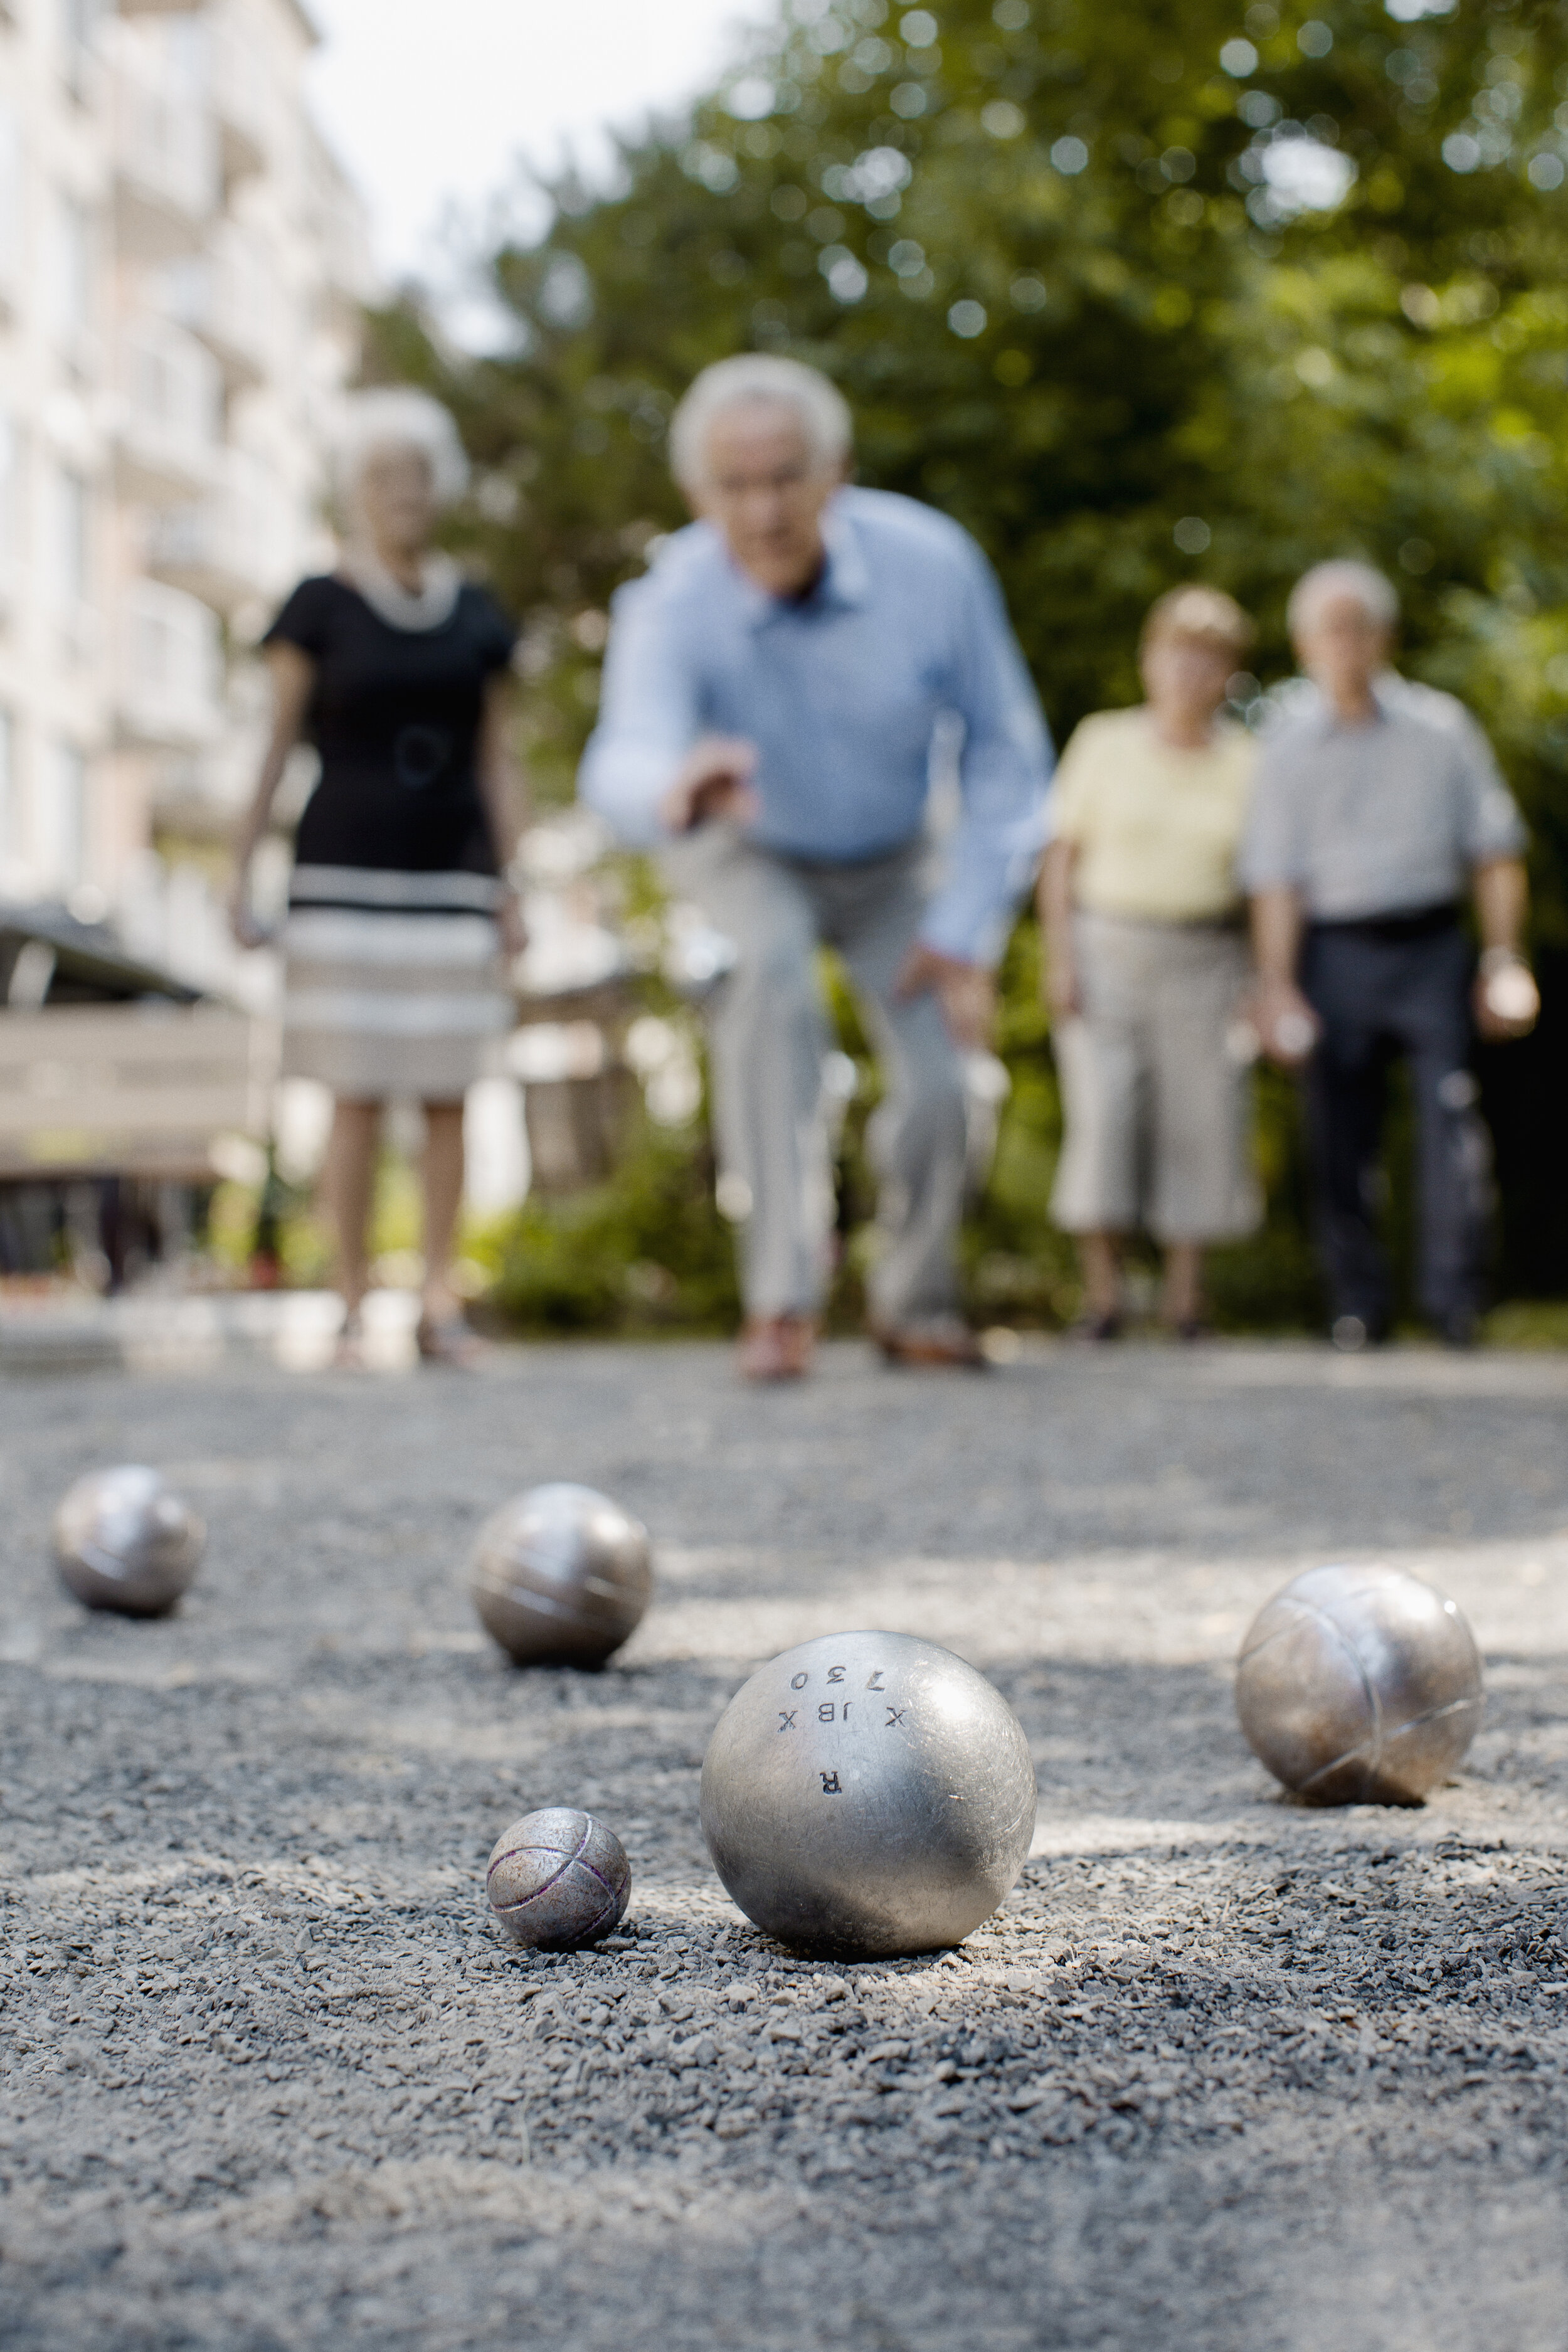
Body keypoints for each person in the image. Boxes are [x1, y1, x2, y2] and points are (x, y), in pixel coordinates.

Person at [579, 354, 1051, 1381]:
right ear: (700, 496)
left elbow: (1009, 755)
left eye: (785, 476)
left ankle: (915, 1303)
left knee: (943, 1076)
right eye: (734, 486)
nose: (764, 509)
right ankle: (782, 1299)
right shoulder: (673, 599)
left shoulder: (933, 565)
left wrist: (965, 923)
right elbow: (619, 758)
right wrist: (673, 784)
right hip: (750, 847)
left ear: (834, 471)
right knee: (772, 980)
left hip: (900, 854)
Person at [229, 388, 525, 1365]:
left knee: (451, 1093)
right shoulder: (318, 603)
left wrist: (512, 881)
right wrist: (239, 869)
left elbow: (499, 756)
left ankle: (439, 1300)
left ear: (440, 487)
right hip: (341, 874)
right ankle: (352, 1301)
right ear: (354, 491)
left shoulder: (477, 611)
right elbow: (274, 742)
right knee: (353, 1095)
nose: (401, 492)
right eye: (380, 476)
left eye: (416, 475)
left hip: (452, 875)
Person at [1241, 559, 1536, 1350]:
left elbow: (1494, 851)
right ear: (1305, 645)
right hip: (1332, 953)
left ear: (1383, 637)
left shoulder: (1443, 730)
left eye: (1356, 627)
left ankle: (1453, 1299)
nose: (1344, 645)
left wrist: (1504, 959)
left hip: (1432, 943)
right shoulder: (1285, 746)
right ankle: (1356, 1303)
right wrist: (1275, 987)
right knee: (1336, 1129)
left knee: (1450, 1116)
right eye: (1327, 630)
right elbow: (1273, 879)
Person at [1039, 586, 1261, 1340]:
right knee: (1104, 1117)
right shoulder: (1103, 742)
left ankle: (1185, 1301)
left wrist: (1264, 983)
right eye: (1176, 652)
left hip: (1207, 957)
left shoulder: (1247, 762)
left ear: (1229, 672)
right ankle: (1103, 1298)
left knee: (1201, 1121)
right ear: (1148, 660)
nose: (1189, 671)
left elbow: (1266, 887)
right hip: (1106, 951)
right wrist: (1058, 960)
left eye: (1209, 657)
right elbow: (1059, 860)